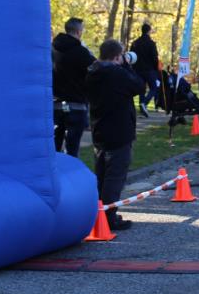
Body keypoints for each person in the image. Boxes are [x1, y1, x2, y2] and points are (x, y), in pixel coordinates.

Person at [86, 39, 144, 231]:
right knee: (115, 175)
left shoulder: (92, 72)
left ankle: (98, 212)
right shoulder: (117, 73)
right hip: (119, 130)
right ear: (117, 56)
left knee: (102, 175)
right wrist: (127, 66)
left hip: (99, 128)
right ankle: (108, 216)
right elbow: (139, 86)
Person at [52, 17, 96, 157]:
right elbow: (96, 69)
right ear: (78, 32)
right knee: (72, 148)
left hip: (55, 104)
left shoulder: (52, 50)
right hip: (76, 104)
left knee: (54, 147)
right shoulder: (81, 52)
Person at [130, 23, 160, 118]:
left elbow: (131, 56)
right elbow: (155, 57)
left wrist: (133, 67)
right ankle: (144, 103)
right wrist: (157, 69)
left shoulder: (135, 43)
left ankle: (142, 107)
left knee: (141, 88)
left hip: (137, 69)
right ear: (149, 31)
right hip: (149, 69)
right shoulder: (151, 43)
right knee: (154, 87)